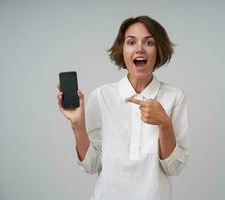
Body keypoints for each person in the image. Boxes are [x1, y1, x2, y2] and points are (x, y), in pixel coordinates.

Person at [57, 15, 189, 200]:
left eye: (149, 42)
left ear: (159, 50)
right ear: (122, 50)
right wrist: (78, 125)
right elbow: (91, 165)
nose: (139, 49)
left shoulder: (174, 97)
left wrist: (164, 123)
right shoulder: (102, 96)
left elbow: (174, 168)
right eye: (131, 42)